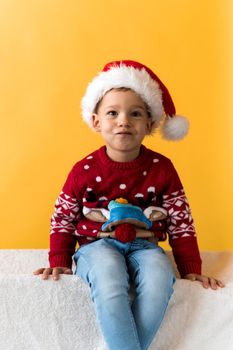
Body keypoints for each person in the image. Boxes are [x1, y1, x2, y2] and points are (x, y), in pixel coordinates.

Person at [34, 60, 224, 350]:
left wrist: (190, 267)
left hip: (146, 247)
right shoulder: (83, 170)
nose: (124, 120)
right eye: (113, 113)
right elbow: (63, 217)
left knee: (160, 280)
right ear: (96, 121)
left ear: (150, 124)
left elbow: (180, 220)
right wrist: (59, 260)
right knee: (109, 280)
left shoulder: (163, 168)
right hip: (95, 246)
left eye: (135, 113)